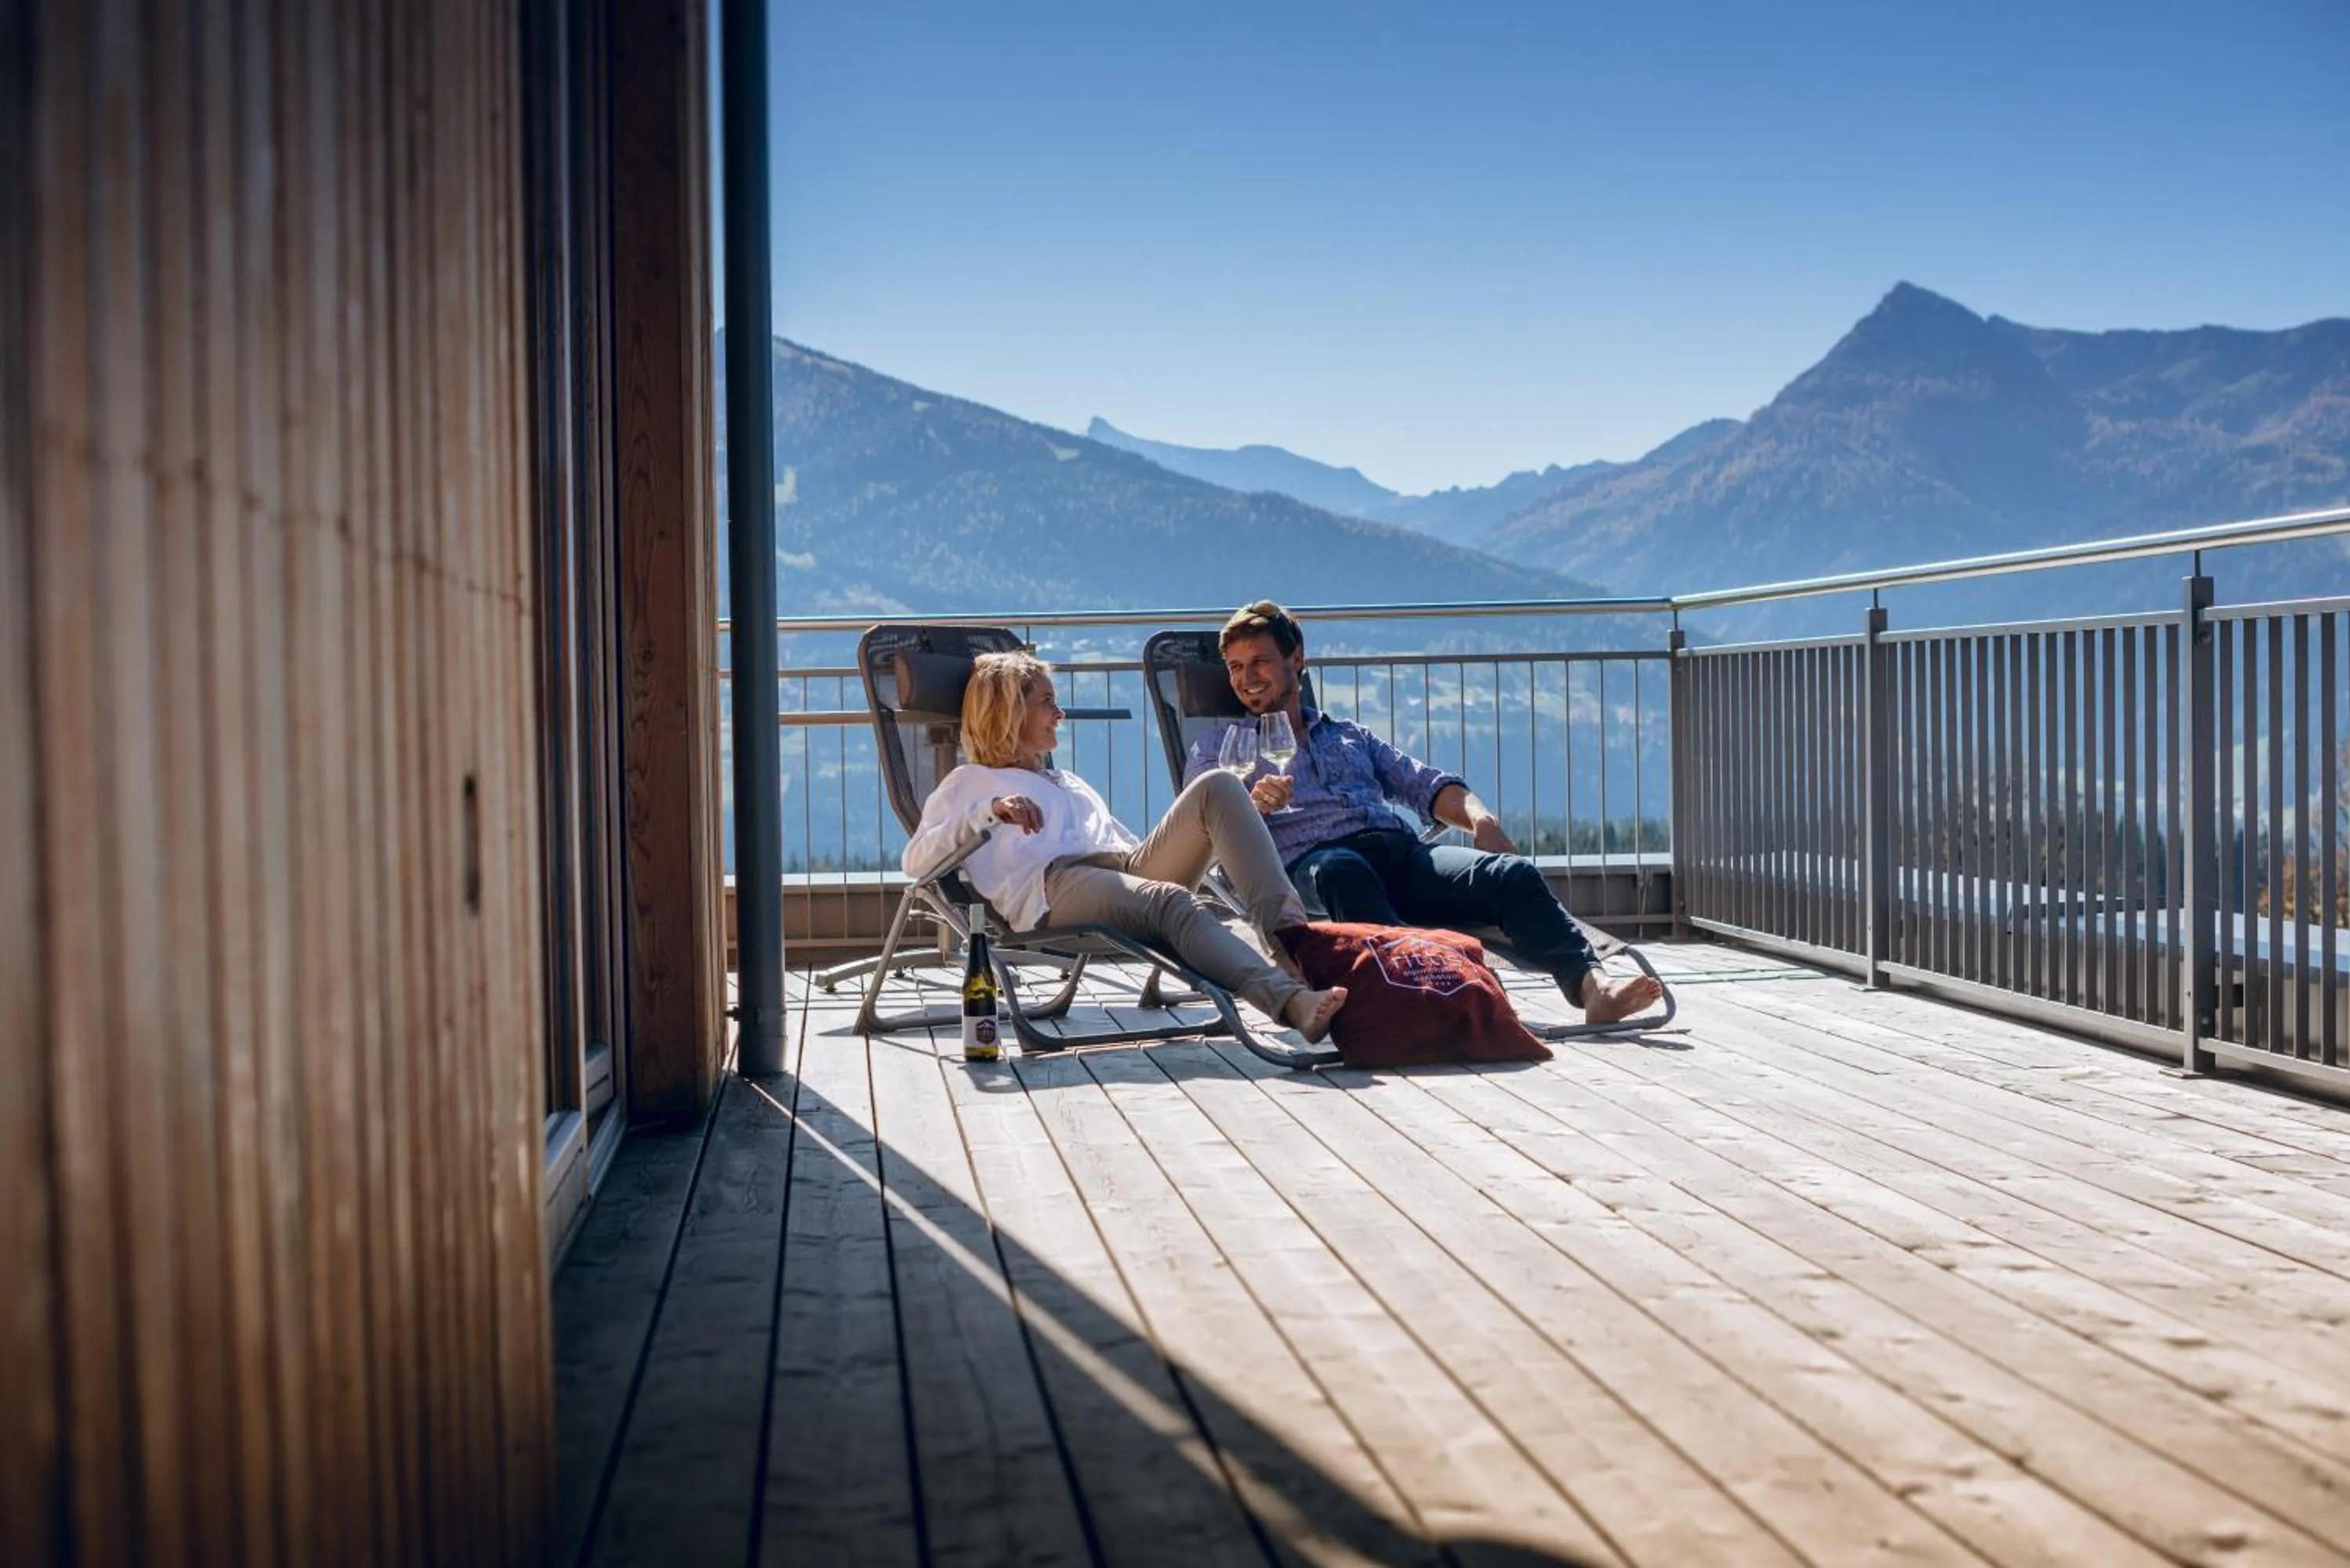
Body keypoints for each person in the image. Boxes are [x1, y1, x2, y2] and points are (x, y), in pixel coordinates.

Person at [1184, 600, 1662, 1024]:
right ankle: (1421, 992)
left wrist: (1481, 819)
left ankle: (1593, 988)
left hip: (1403, 856)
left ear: (1297, 659)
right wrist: (1250, 806)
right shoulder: (1219, 749)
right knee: (1343, 870)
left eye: (1260, 662)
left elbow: (1425, 786)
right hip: (1312, 867)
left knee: (1510, 874)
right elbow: (1204, 820)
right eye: (1235, 666)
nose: (1246, 679)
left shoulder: (1348, 735)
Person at [905, 649, 1348, 1042]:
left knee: (1221, 787)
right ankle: (1290, 1003)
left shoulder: (1064, 780)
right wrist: (989, 810)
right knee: (1170, 901)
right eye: (1046, 702)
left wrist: (1222, 832)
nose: (1060, 713)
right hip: (1055, 886)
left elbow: (1128, 848)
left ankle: (1299, 956)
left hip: (1121, 869)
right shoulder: (970, 783)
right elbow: (917, 862)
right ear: (1008, 712)